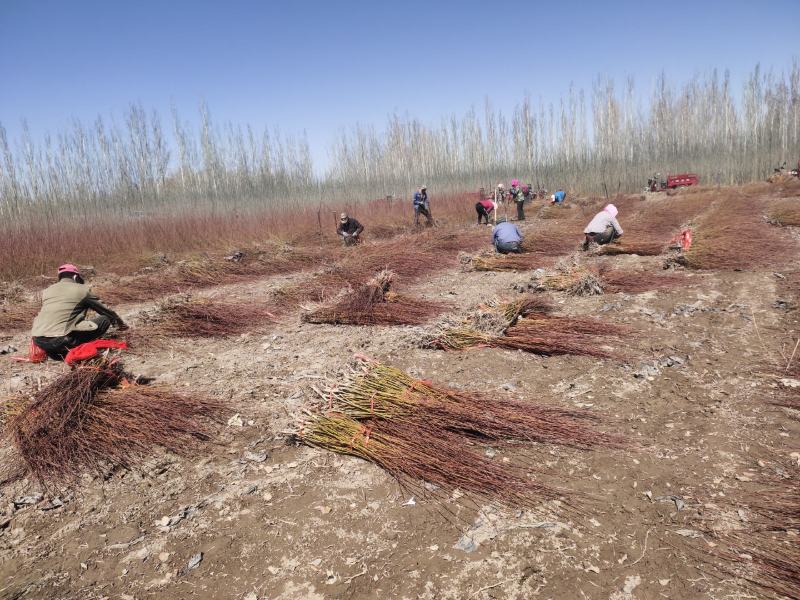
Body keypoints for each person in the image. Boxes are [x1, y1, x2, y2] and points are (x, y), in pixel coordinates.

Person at [31, 264, 128, 360]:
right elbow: (106, 311)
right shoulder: (82, 290)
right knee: (105, 319)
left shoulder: (47, 291)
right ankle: (69, 349)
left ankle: (56, 353)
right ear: (75, 276)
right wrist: (121, 324)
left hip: (39, 341)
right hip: (62, 340)